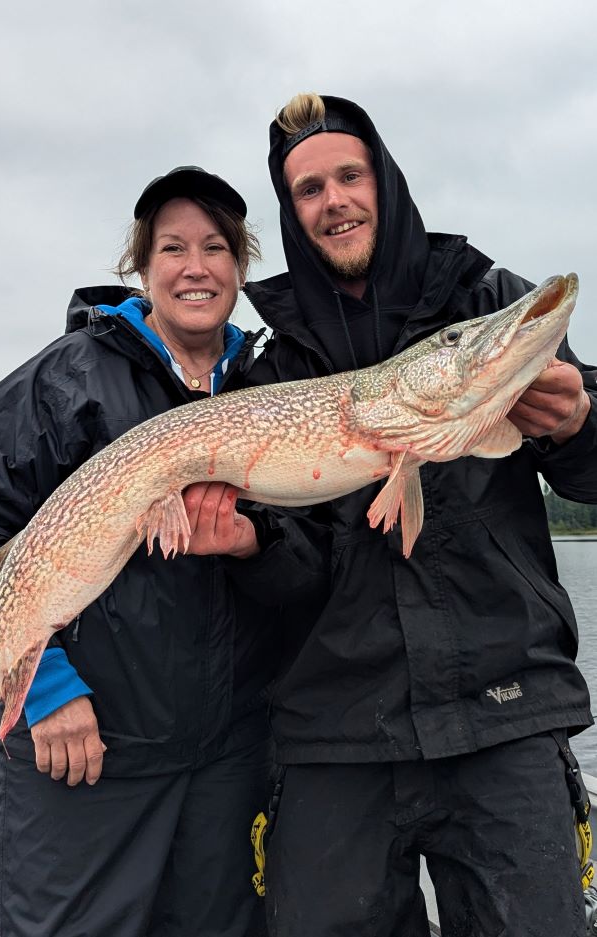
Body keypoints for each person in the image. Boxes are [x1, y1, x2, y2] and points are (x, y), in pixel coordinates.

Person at [242, 93, 597, 937]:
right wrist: (247, 541)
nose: (334, 201)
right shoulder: (272, 367)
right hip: (334, 735)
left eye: (349, 175)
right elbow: (285, 575)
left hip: (505, 710)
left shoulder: (487, 302)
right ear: (293, 213)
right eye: (309, 189)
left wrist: (582, 422)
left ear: (384, 180)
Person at [0, 166, 327, 937]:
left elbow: (309, 570)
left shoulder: (270, 386)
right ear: (142, 267)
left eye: (216, 247)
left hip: (225, 760)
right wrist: (44, 689)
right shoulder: (62, 380)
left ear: (239, 266)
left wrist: (253, 544)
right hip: (86, 755)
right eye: (172, 247)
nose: (195, 266)